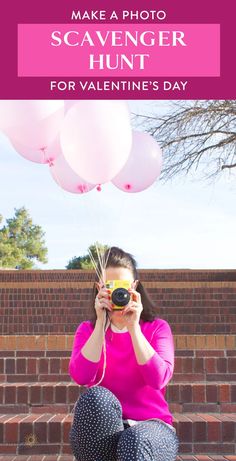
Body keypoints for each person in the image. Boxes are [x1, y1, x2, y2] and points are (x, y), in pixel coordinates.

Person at [68, 246, 179, 461]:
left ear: (134, 287)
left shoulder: (157, 328)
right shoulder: (88, 330)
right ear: (99, 287)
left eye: (123, 287)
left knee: (133, 442)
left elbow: (158, 379)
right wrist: (100, 323)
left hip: (151, 429)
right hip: (104, 431)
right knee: (94, 398)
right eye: (110, 286)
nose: (117, 293)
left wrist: (133, 328)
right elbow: (81, 376)